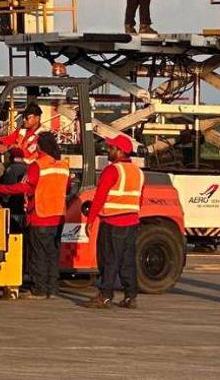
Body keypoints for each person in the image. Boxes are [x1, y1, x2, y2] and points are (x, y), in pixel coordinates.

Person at [0, 130, 69, 299]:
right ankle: (53, 289)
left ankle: (39, 289)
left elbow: (24, 187)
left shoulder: (38, 165)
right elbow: (67, 187)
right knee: (52, 253)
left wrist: (1, 188)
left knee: (38, 254)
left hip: (40, 215)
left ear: (40, 147)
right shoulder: (63, 165)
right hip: (58, 216)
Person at [82, 132, 143, 310]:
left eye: (111, 148)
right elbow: (139, 198)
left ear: (120, 151)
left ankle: (105, 296)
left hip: (112, 222)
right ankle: (131, 297)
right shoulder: (138, 173)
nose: (109, 150)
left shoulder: (112, 170)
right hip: (131, 222)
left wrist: (90, 220)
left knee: (108, 260)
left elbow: (99, 197)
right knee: (127, 261)